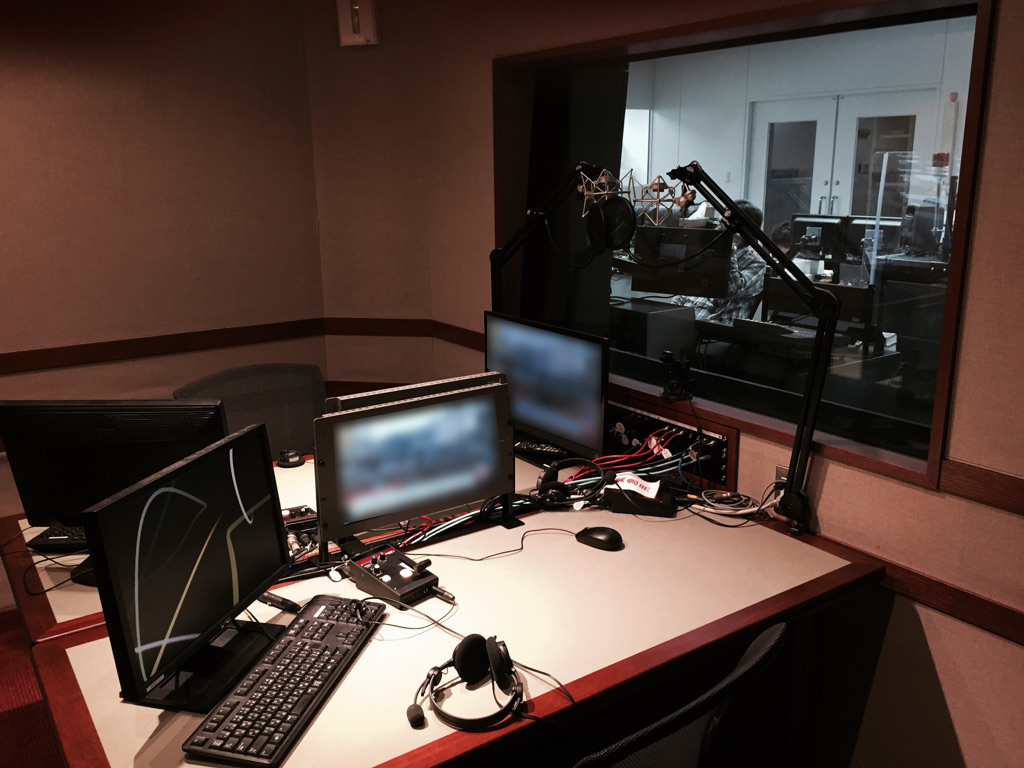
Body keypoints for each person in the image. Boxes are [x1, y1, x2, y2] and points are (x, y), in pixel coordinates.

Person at [672, 199, 766, 323]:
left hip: (714, 327)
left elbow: (731, 290)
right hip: (685, 320)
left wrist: (730, 246)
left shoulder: (756, 264)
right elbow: (684, 290)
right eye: (720, 222)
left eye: (724, 224)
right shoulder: (708, 253)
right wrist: (670, 313)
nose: (718, 227)